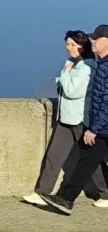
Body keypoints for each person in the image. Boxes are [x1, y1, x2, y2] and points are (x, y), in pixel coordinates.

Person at [23, 30, 108, 206]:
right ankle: (43, 193)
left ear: (81, 47)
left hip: (81, 120)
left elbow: (73, 91)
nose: (68, 48)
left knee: (91, 160)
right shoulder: (76, 63)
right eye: (67, 44)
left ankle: (104, 194)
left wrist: (64, 75)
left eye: (72, 44)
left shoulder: (87, 66)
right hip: (67, 118)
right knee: (55, 156)